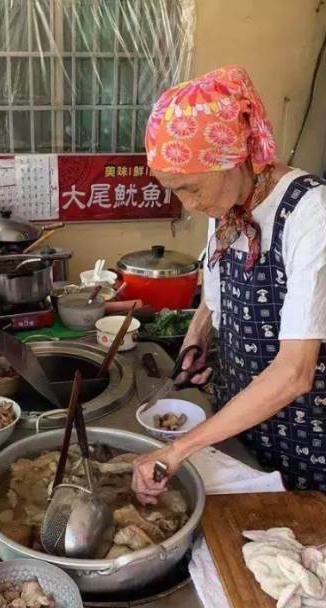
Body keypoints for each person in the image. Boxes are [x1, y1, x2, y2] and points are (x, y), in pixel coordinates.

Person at [132, 65, 326, 503]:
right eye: (174, 190)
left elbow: (295, 373)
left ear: (234, 158)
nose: (188, 204)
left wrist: (179, 448)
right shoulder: (225, 205)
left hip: (303, 440)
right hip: (234, 425)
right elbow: (214, 297)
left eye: (189, 188)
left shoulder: (310, 213)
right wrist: (196, 337)